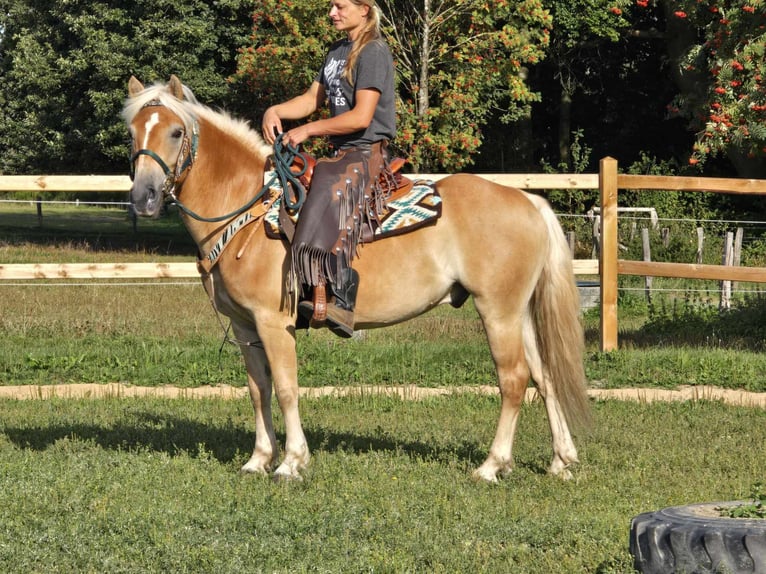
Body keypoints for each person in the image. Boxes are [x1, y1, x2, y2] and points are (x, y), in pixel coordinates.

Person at [262, 0, 396, 338]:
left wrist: (307, 130)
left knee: (324, 185)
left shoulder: (374, 52)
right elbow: (312, 99)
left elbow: (361, 117)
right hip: (342, 152)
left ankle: (339, 293)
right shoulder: (337, 51)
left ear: (364, 9)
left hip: (366, 152)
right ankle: (308, 288)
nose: (331, 13)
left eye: (339, 6)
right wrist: (275, 110)